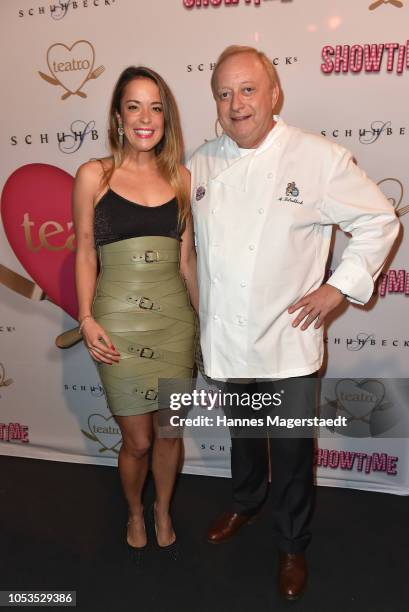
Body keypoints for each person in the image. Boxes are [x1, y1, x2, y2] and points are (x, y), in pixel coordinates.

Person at [188, 45, 399, 599]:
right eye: (225, 93)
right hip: (228, 340)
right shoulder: (201, 162)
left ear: (275, 93)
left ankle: (291, 545)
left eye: (248, 90)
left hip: (287, 342)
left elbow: (379, 221)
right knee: (243, 436)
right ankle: (245, 505)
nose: (237, 104)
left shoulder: (318, 158)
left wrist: (338, 288)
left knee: (290, 452)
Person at [73, 66, 198, 554]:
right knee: (139, 442)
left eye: (156, 107)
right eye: (134, 106)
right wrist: (86, 317)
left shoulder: (182, 178)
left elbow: (186, 260)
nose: (146, 117)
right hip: (117, 324)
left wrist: (201, 324)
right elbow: (84, 250)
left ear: (166, 116)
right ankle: (133, 510)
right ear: (118, 115)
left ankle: (163, 508)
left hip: (174, 323)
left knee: (168, 435)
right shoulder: (93, 175)